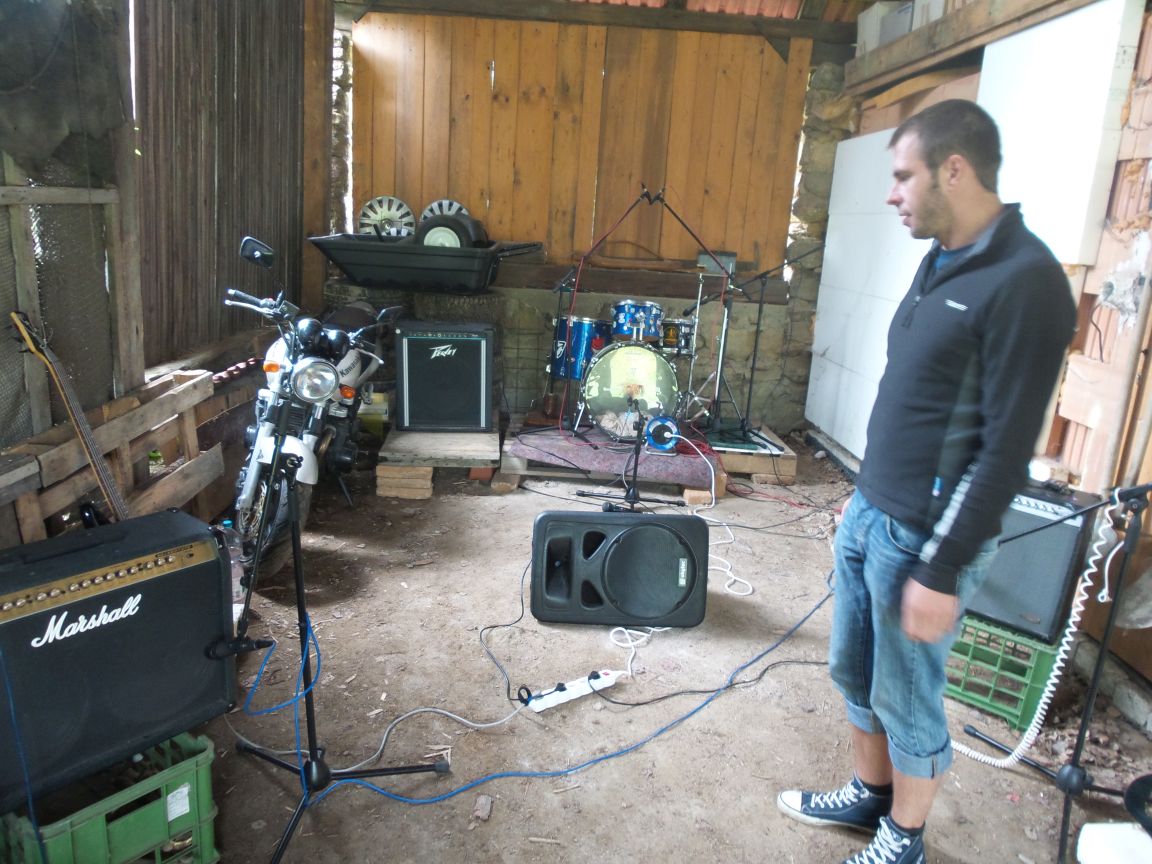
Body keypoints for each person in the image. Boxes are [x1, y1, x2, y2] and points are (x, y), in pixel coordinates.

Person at [776, 99, 1077, 863]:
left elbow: (1005, 450)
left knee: (907, 694)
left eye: (903, 175)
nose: (892, 194)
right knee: (854, 670)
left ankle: (903, 840)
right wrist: (866, 493)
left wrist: (941, 568)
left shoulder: (1028, 282)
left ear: (954, 170)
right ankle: (870, 796)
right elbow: (918, 393)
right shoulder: (941, 256)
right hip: (872, 510)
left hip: (926, 538)